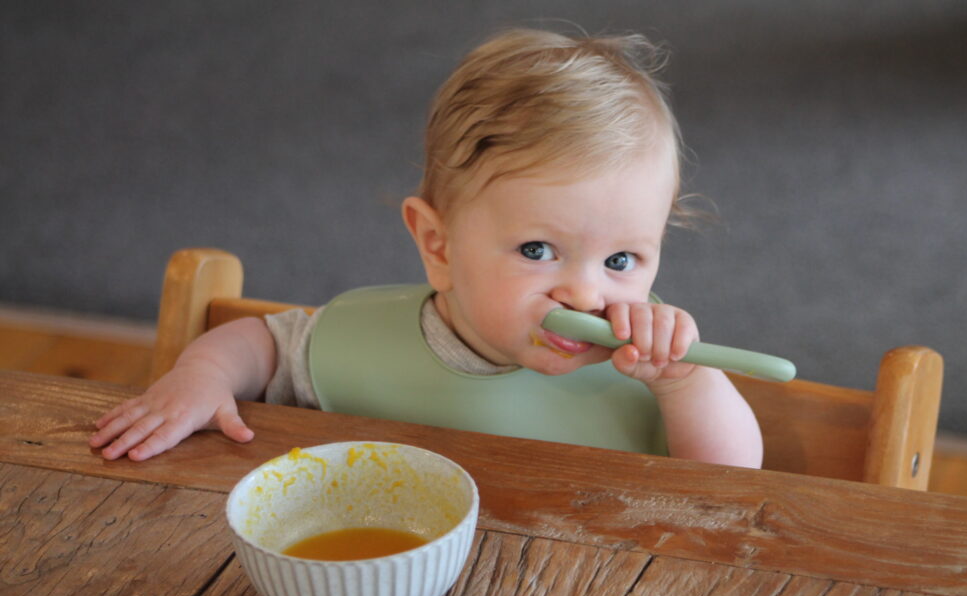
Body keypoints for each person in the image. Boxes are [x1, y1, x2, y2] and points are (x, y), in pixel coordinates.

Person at [90, 28, 763, 467]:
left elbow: (733, 483)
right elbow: (262, 343)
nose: (587, 295)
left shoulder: (652, 363)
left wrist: (690, 384)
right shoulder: (363, 335)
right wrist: (200, 376)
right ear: (437, 245)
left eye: (622, 261)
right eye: (537, 249)